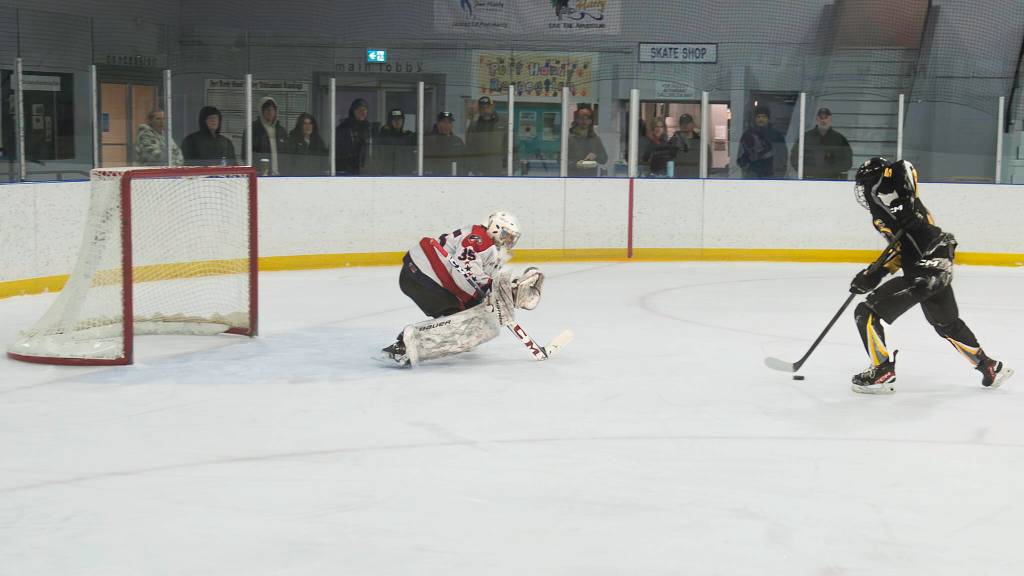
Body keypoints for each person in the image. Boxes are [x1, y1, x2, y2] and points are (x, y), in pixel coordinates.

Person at [847, 157, 1013, 394]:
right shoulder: (894, 211)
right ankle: (989, 367)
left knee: (867, 312)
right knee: (946, 325)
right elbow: (900, 250)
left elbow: (905, 168)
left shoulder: (906, 203)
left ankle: (882, 370)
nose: (862, 189)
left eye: (865, 183)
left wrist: (907, 207)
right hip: (936, 271)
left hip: (926, 272)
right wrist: (873, 274)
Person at [379, 211, 545, 367]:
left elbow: (481, 277)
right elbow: (464, 273)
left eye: (511, 238)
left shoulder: (485, 243)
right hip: (422, 275)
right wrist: (492, 289)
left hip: (419, 275)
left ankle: (409, 344)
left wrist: (502, 289)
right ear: (496, 228)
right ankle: (405, 346)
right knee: (463, 318)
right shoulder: (479, 240)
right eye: (506, 235)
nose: (508, 241)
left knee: (465, 315)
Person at [790, 107, 853, 180]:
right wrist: (807, 171)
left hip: (833, 181)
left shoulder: (839, 139)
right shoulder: (806, 137)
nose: (823, 120)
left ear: (830, 119)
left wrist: (832, 169)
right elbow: (794, 157)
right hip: (809, 180)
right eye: (821, 117)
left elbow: (848, 162)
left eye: (826, 117)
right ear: (817, 119)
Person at [737, 105, 786, 179]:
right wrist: (746, 166)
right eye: (758, 117)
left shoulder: (776, 135)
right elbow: (740, 155)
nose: (761, 119)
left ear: (768, 119)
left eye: (764, 117)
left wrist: (779, 169)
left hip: (772, 174)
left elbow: (783, 154)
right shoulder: (748, 134)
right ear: (755, 119)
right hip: (752, 174)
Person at [465, 96, 507, 176]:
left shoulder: (503, 122)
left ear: (493, 106)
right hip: (480, 171)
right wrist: (474, 169)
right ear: (479, 109)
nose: (485, 110)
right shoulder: (474, 125)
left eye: (488, 107)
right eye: (482, 107)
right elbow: (469, 149)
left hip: (500, 170)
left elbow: (511, 147)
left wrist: (509, 168)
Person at [248, 96, 288, 176]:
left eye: (272, 109)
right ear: (261, 111)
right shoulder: (252, 129)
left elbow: (287, 155)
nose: (270, 112)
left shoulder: (281, 131)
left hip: (279, 176)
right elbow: (247, 154)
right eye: (267, 109)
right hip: (261, 175)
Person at [567, 105, 607, 177]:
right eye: (581, 117)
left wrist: (596, 156)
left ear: (591, 121)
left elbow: (604, 159)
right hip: (572, 179)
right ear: (576, 119)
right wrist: (577, 164)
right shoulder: (569, 139)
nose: (584, 120)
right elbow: (560, 160)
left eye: (587, 117)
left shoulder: (595, 139)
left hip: (590, 180)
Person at [373, 108, 416, 175]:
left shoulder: (407, 135)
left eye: (399, 119)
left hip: (403, 172)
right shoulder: (384, 134)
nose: (397, 121)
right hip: (387, 172)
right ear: (390, 121)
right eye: (394, 119)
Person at [335, 98, 372, 175]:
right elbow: (338, 153)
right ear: (353, 111)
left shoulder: (370, 128)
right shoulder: (343, 128)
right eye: (359, 109)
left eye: (364, 109)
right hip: (346, 171)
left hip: (366, 170)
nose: (362, 112)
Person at [668, 113, 710, 179]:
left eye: (688, 122)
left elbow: (708, 162)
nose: (685, 125)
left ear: (693, 124)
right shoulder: (673, 142)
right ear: (680, 125)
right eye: (683, 123)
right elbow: (668, 161)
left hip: (696, 180)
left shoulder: (701, 143)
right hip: (677, 180)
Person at [423, 111, 465, 176]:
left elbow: (463, 162)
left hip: (454, 177)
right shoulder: (430, 140)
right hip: (435, 177)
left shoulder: (457, 141)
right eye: (444, 122)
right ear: (438, 124)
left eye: (449, 123)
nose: (447, 125)